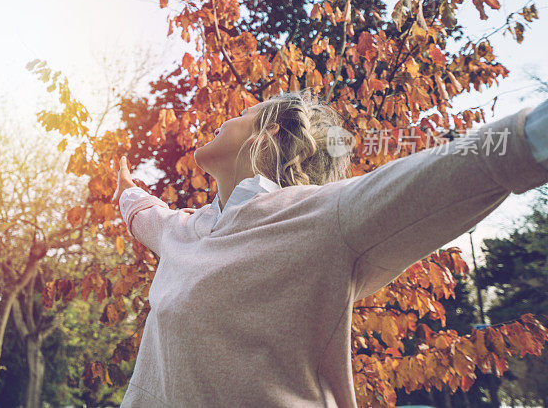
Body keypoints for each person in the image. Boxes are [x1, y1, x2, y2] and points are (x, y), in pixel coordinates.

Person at [110, 88, 548, 407]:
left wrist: (536, 134)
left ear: (266, 132)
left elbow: (442, 173)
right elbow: (145, 215)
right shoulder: (185, 230)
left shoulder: (321, 218)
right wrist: (127, 190)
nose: (226, 118)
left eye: (243, 112)